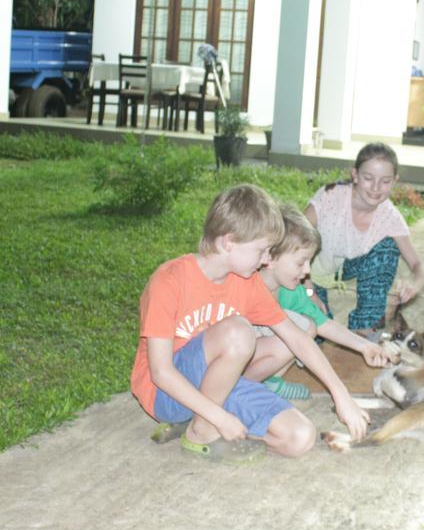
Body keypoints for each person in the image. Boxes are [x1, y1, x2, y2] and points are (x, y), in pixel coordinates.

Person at [130, 184, 369, 460]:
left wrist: (341, 394)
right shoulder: (169, 280)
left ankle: (198, 420)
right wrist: (219, 417)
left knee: (299, 438)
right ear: (228, 242)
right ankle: (203, 429)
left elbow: (297, 338)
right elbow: (161, 373)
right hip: (165, 395)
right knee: (238, 332)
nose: (267, 259)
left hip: (216, 388)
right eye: (262, 250)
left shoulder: (246, 282)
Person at [249, 205, 392, 400]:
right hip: (234, 357)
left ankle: (270, 381)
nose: (307, 271)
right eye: (301, 263)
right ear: (270, 258)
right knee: (298, 331)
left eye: (309, 262)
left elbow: (323, 323)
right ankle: (240, 390)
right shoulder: (245, 283)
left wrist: (364, 346)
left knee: (308, 325)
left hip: (259, 351)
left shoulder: (293, 289)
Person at [304, 143, 424, 336]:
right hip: (306, 271)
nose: (376, 188)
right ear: (355, 175)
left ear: (395, 181)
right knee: (315, 335)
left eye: (385, 181)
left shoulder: (390, 217)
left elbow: (419, 265)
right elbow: (291, 244)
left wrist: (415, 285)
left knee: (387, 249)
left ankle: (364, 327)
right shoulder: (330, 197)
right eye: (368, 178)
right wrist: (309, 291)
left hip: (343, 267)